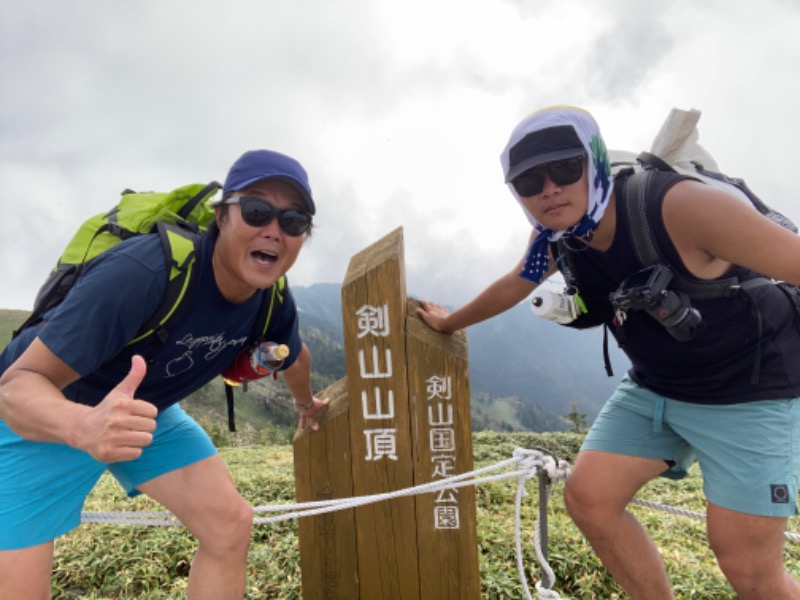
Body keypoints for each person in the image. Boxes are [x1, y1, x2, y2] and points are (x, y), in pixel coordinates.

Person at [417, 106, 800, 599]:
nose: (549, 188)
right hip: (657, 386)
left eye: (565, 168)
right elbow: (519, 282)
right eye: (530, 181)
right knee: (590, 499)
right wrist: (448, 322)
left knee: (747, 567)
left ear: (594, 161)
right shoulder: (558, 237)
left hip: (750, 390)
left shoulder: (680, 207)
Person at [0, 149, 329, 599]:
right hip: (45, 413)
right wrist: (85, 426)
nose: (274, 229)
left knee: (229, 525)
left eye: (293, 221)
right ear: (222, 216)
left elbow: (295, 356)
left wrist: (307, 405)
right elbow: (16, 386)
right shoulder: (144, 272)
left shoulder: (270, 299)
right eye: (256, 211)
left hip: (142, 410)